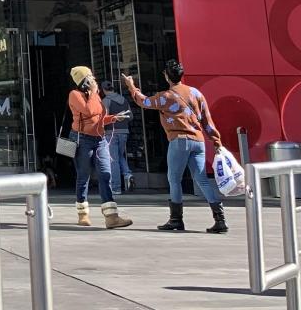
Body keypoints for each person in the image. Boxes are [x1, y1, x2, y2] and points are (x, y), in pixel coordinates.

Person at [122, 60, 227, 233]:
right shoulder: (196, 93)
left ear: (166, 76)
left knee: (174, 179)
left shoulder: (166, 96)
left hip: (179, 140)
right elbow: (207, 121)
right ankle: (220, 219)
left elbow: (144, 102)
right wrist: (216, 142)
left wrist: (131, 86)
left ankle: (176, 219)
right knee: (201, 179)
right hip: (198, 141)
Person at [67, 65, 132, 229]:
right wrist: (93, 92)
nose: (94, 79)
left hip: (100, 139)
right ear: (84, 81)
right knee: (83, 176)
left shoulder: (95, 95)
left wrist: (113, 118)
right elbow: (88, 111)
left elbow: (99, 117)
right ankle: (83, 213)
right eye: (90, 77)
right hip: (82, 139)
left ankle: (111, 217)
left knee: (105, 174)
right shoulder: (75, 95)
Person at [102, 80, 133, 195]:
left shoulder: (106, 101)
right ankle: (127, 174)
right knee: (120, 156)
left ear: (103, 90)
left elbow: (104, 118)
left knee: (113, 159)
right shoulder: (124, 100)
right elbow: (130, 116)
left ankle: (116, 187)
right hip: (124, 132)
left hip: (111, 133)